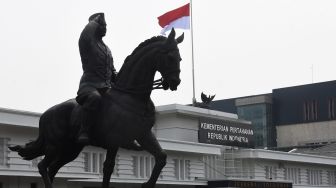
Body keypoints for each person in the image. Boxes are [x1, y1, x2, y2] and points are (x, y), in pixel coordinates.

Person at [76, 13, 117, 144]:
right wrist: (93, 22)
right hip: (89, 87)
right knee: (95, 98)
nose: (105, 28)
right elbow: (84, 37)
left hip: (106, 87)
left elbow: (112, 71)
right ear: (95, 27)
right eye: (102, 25)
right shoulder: (88, 44)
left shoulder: (107, 49)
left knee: (124, 101)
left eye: (106, 26)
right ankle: (84, 130)